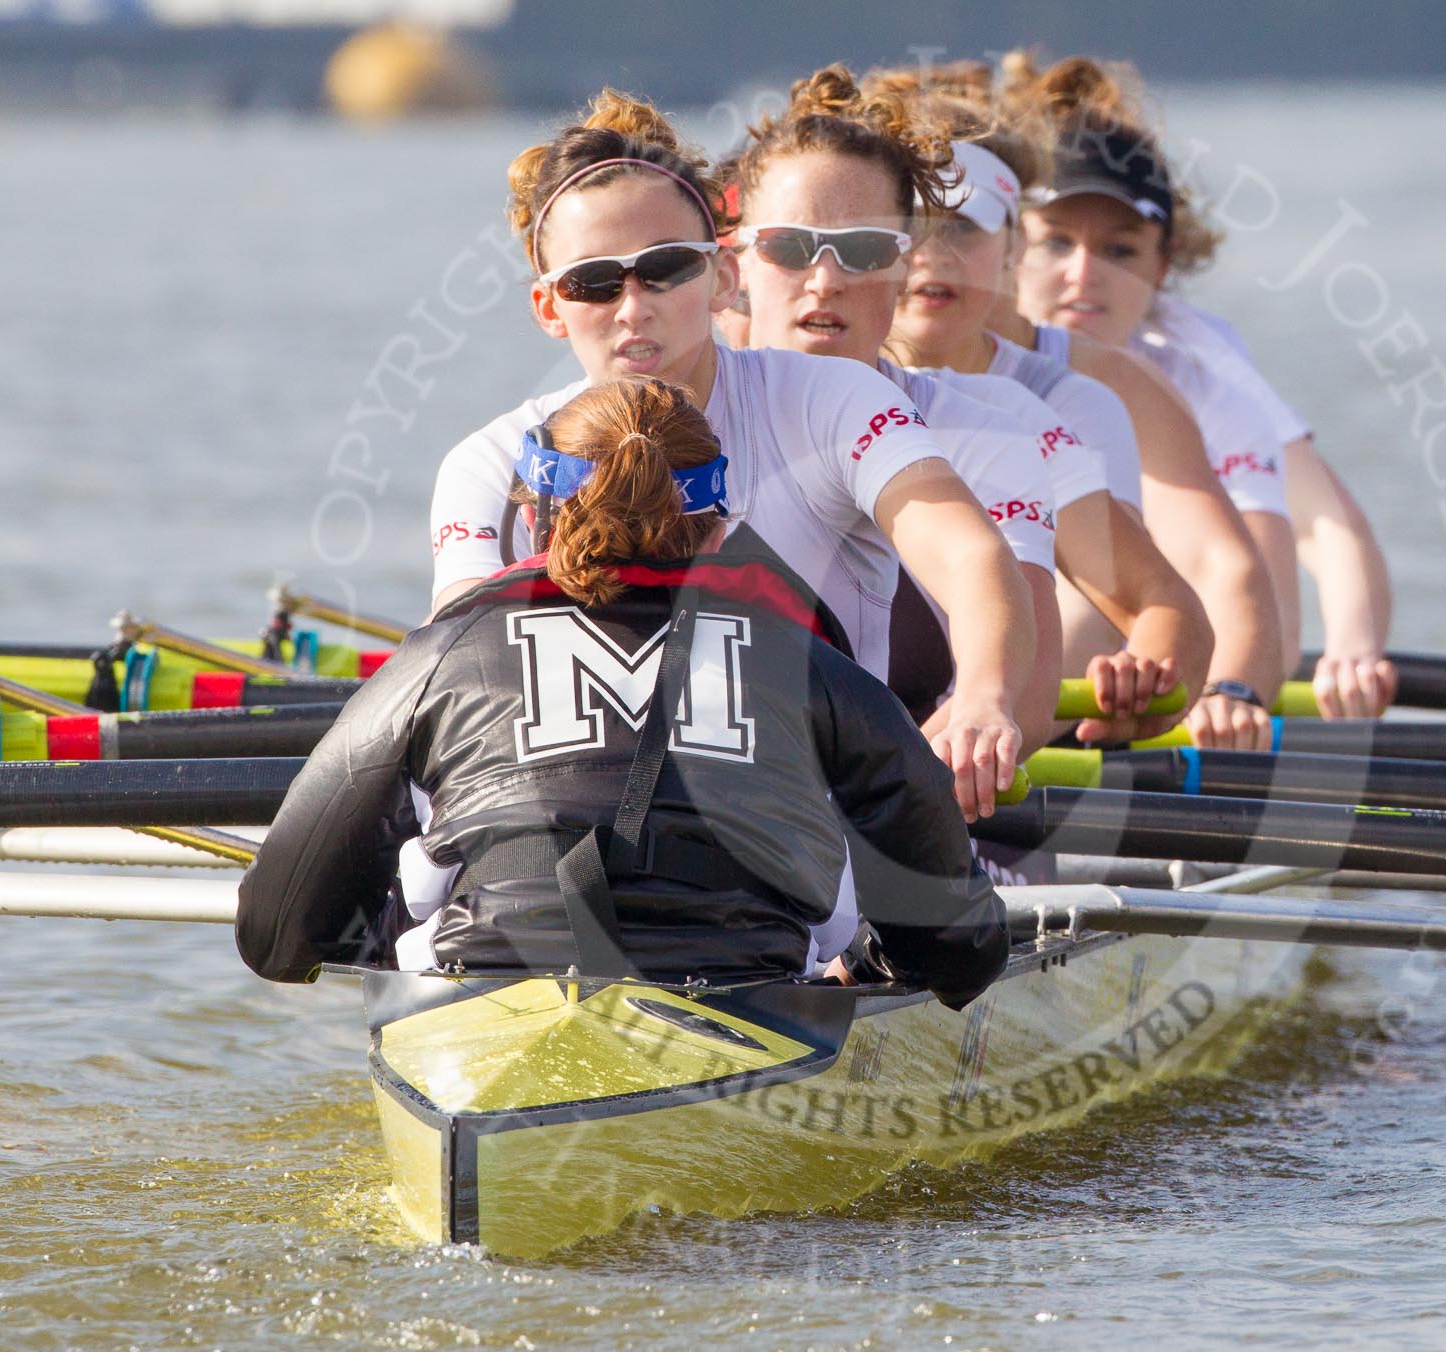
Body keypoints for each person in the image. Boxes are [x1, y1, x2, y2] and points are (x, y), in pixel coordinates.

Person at [239, 377, 1008, 1009]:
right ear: (718, 534)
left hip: (478, 1003)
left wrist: (396, 949)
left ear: (534, 520)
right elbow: (963, 951)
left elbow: (277, 934)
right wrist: (869, 967)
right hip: (750, 1004)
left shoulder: (436, 661)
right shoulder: (816, 668)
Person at [428, 89, 1032, 820]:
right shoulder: (488, 464)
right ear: (549, 307)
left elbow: (970, 555)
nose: (632, 307)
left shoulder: (834, 404)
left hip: (807, 846)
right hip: (572, 844)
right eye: (593, 281)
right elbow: (460, 672)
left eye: (666, 268)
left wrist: (981, 698)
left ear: (723, 276)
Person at [732, 65, 1212, 747]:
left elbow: (1169, 609)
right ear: (734, 265)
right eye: (793, 247)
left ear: (898, 266)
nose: (826, 279)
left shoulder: (998, 425)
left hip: (941, 821)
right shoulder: (664, 421)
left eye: (863, 250)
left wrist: (1151, 686)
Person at [869, 66, 1286, 746]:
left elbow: (1205, 577)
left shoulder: (1074, 401)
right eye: (910, 229)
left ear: (1010, 248)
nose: (930, 257)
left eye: (962, 231)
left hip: (1019, 732)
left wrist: (1214, 688)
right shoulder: (787, 363)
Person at [1001, 53, 1399, 719]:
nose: (1083, 275)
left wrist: (1344, 654)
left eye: (1120, 251)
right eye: (1057, 243)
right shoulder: (941, 340)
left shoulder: (1200, 373)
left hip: (1150, 664)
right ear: (1008, 250)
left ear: (1163, 265)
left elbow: (1320, 529)